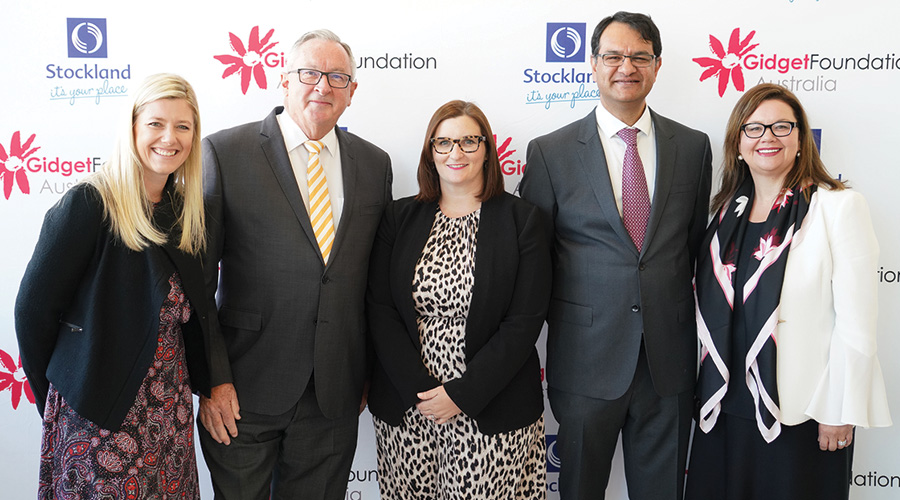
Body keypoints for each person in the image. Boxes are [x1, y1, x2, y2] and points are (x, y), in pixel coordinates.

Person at [520, 11, 713, 500]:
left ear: (657, 65)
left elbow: (690, 248)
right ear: (593, 63)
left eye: (639, 56)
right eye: (613, 55)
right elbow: (534, 260)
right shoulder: (551, 152)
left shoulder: (692, 147)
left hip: (667, 363)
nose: (626, 66)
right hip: (586, 362)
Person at [198, 29, 392, 500]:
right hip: (242, 390)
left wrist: (367, 369)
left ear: (352, 92)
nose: (322, 86)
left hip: (334, 392)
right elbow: (197, 287)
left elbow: (375, 283)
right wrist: (212, 380)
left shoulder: (374, 164)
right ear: (283, 80)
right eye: (309, 73)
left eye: (337, 76)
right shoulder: (224, 152)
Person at [685, 83, 892, 500]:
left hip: (803, 413)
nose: (768, 137)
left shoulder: (837, 207)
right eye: (754, 128)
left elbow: (857, 327)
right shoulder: (724, 213)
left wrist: (840, 410)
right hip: (723, 407)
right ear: (738, 143)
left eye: (782, 126)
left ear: (800, 140)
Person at [15, 73, 210, 499]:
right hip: (98, 420)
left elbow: (197, 313)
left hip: (168, 413)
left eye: (183, 126)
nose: (169, 137)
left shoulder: (185, 212)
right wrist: (64, 399)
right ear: (133, 127)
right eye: (156, 123)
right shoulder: (89, 203)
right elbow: (32, 312)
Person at [365, 99, 550, 499]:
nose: (456, 153)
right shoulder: (398, 218)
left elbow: (525, 320)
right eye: (444, 142)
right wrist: (423, 394)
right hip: (409, 405)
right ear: (430, 152)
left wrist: (461, 395)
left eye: (469, 141)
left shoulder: (523, 221)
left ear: (487, 148)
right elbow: (380, 309)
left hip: (492, 403)